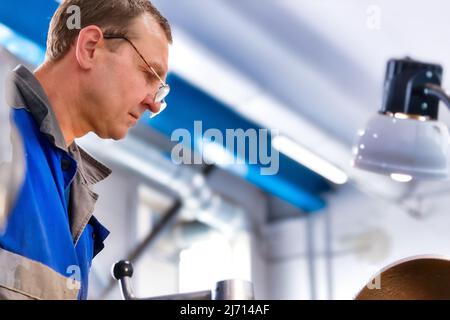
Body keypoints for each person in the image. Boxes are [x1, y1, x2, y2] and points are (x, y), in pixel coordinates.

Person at [0, 0, 172, 300]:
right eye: (148, 73)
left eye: (159, 90)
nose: (153, 103)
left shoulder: (75, 202)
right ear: (90, 47)